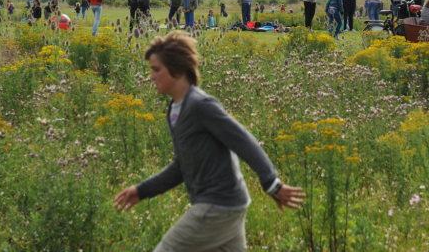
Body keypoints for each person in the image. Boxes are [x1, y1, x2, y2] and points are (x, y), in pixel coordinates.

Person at [113, 32, 304, 251]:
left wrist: (272, 184)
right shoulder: (175, 111)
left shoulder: (200, 105)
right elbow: (180, 167)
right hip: (230, 204)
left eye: (156, 70)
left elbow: (242, 140)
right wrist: (142, 190)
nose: (151, 77)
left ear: (176, 70)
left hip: (217, 205)